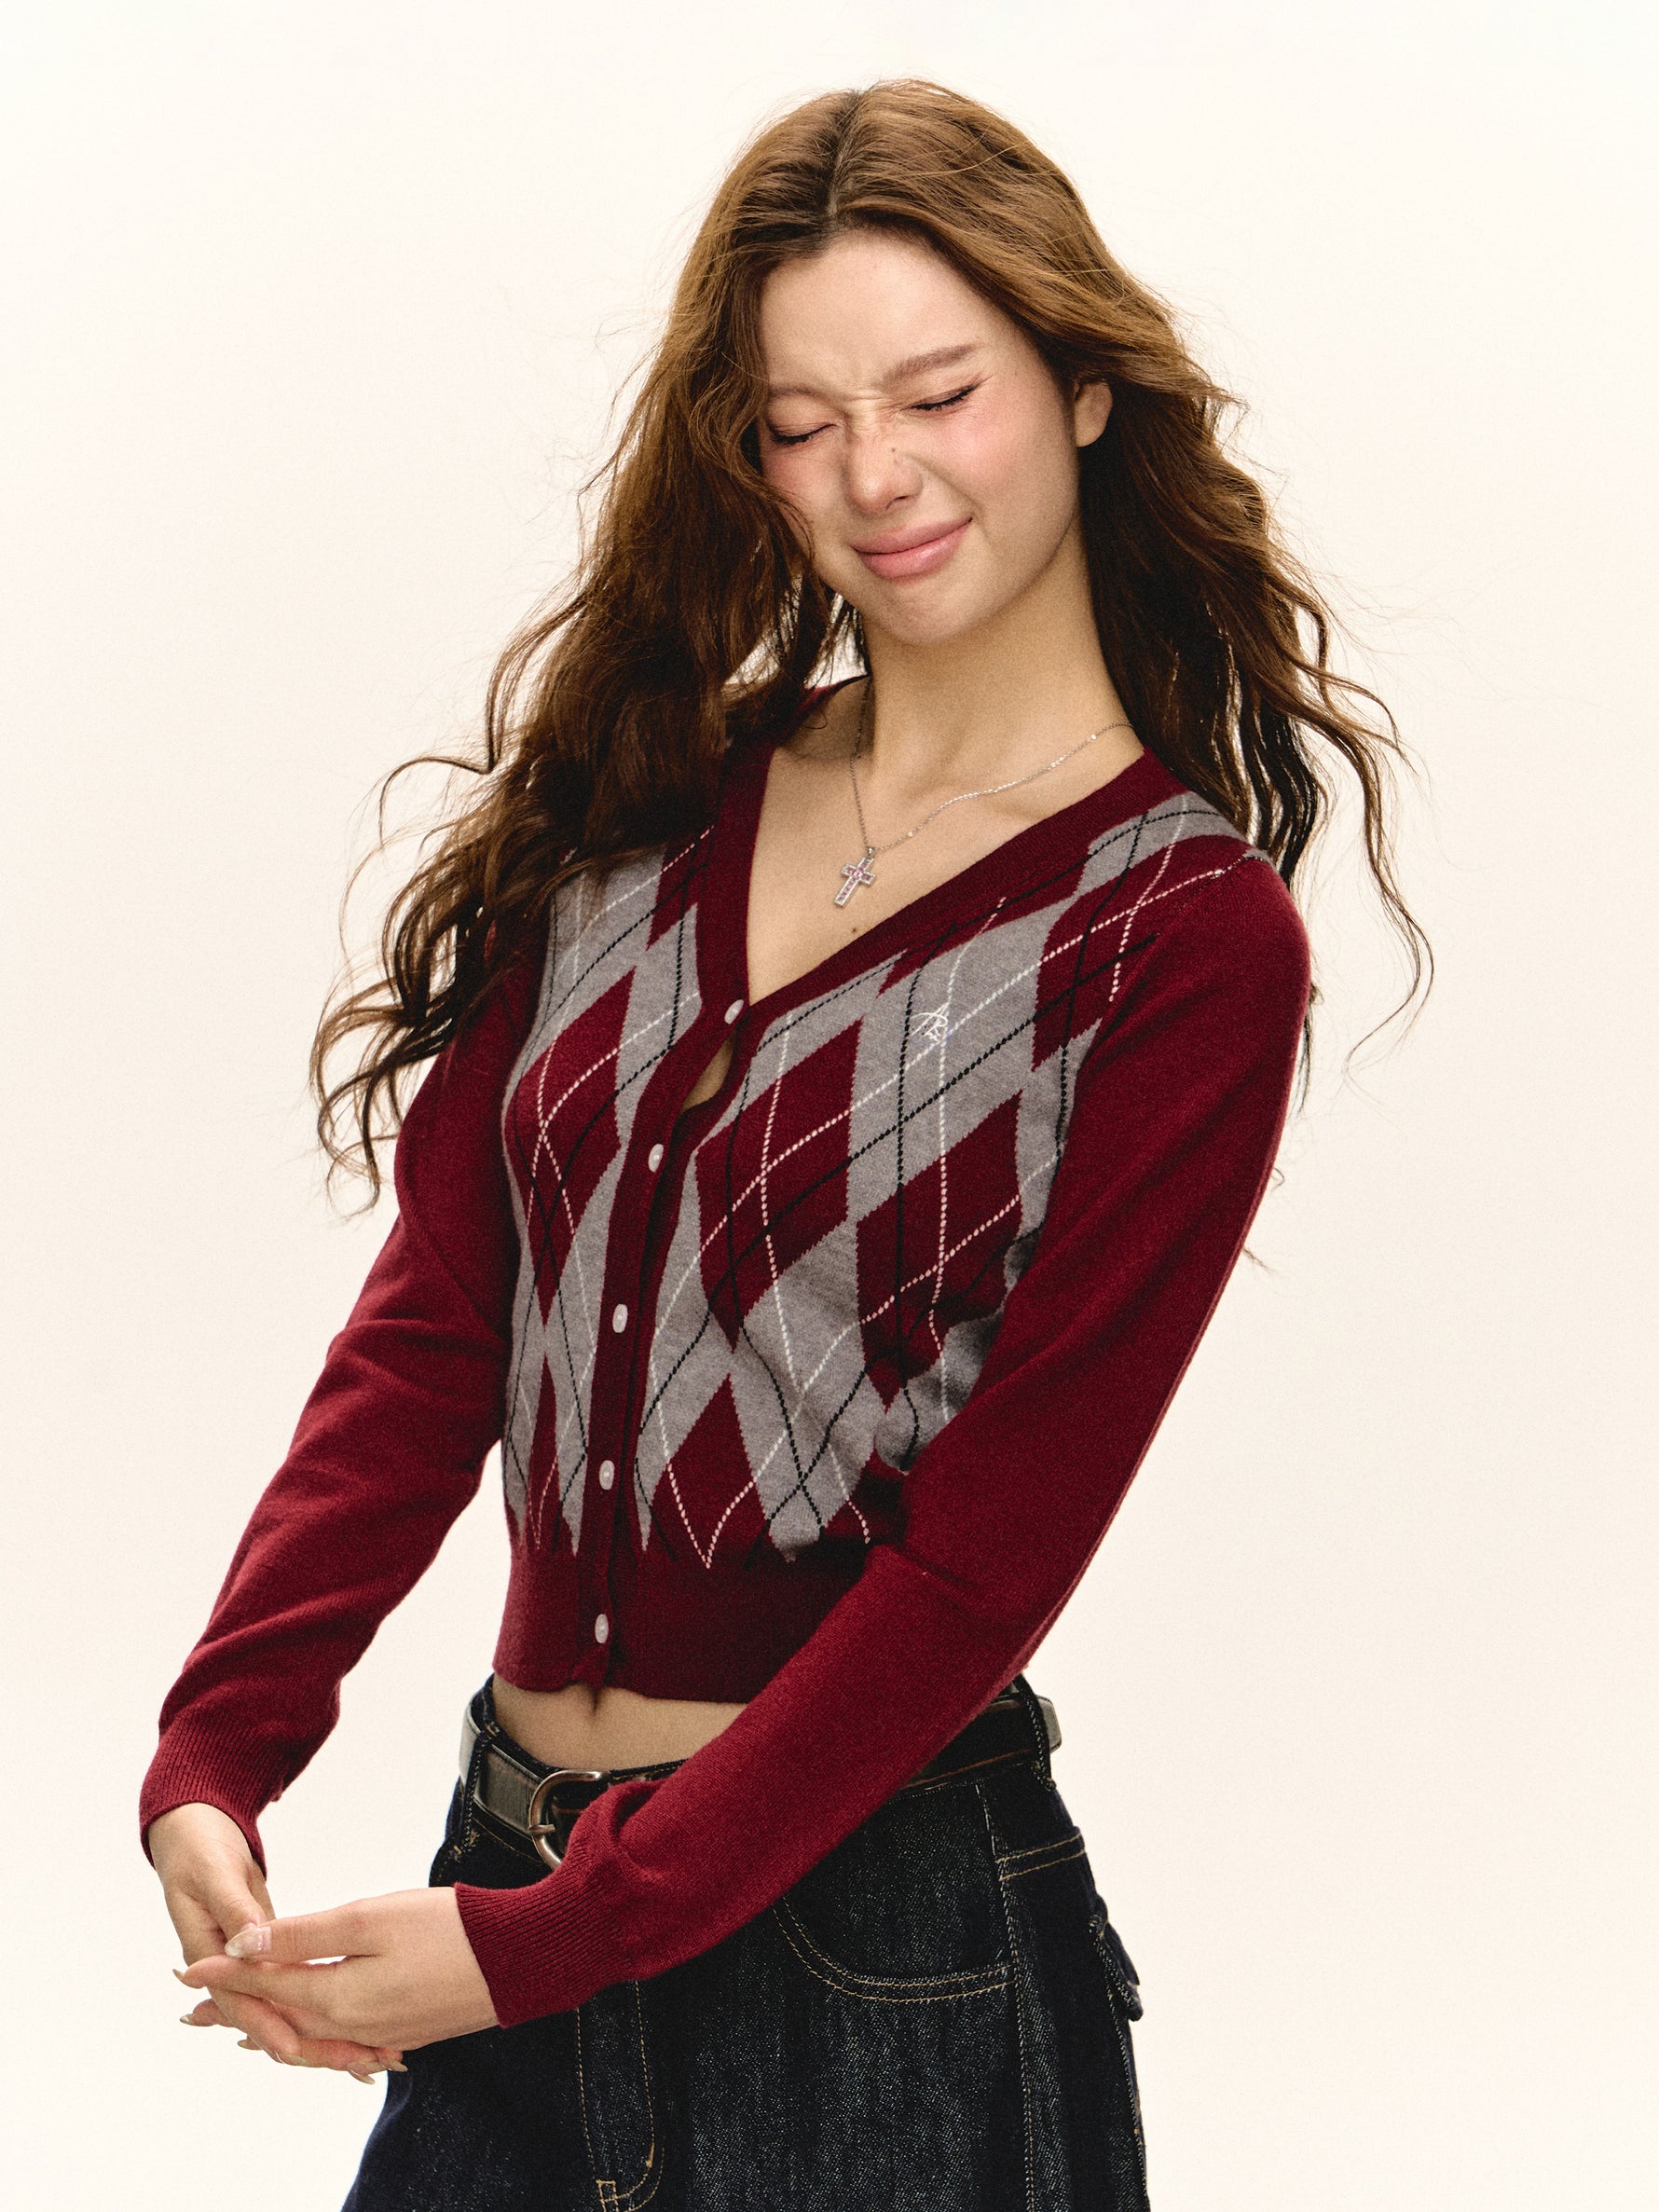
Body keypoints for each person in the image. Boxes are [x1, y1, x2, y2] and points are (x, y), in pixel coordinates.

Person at [145, 78, 1423, 2212]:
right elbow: (443, 1317)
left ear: (1081, 386)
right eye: (800, 421)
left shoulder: (1178, 939)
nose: (874, 475)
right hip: (505, 1882)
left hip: (875, 1959)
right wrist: (222, 1736)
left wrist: (557, 1938)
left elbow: (974, 1571)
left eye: (936, 394)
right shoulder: (644, 810)